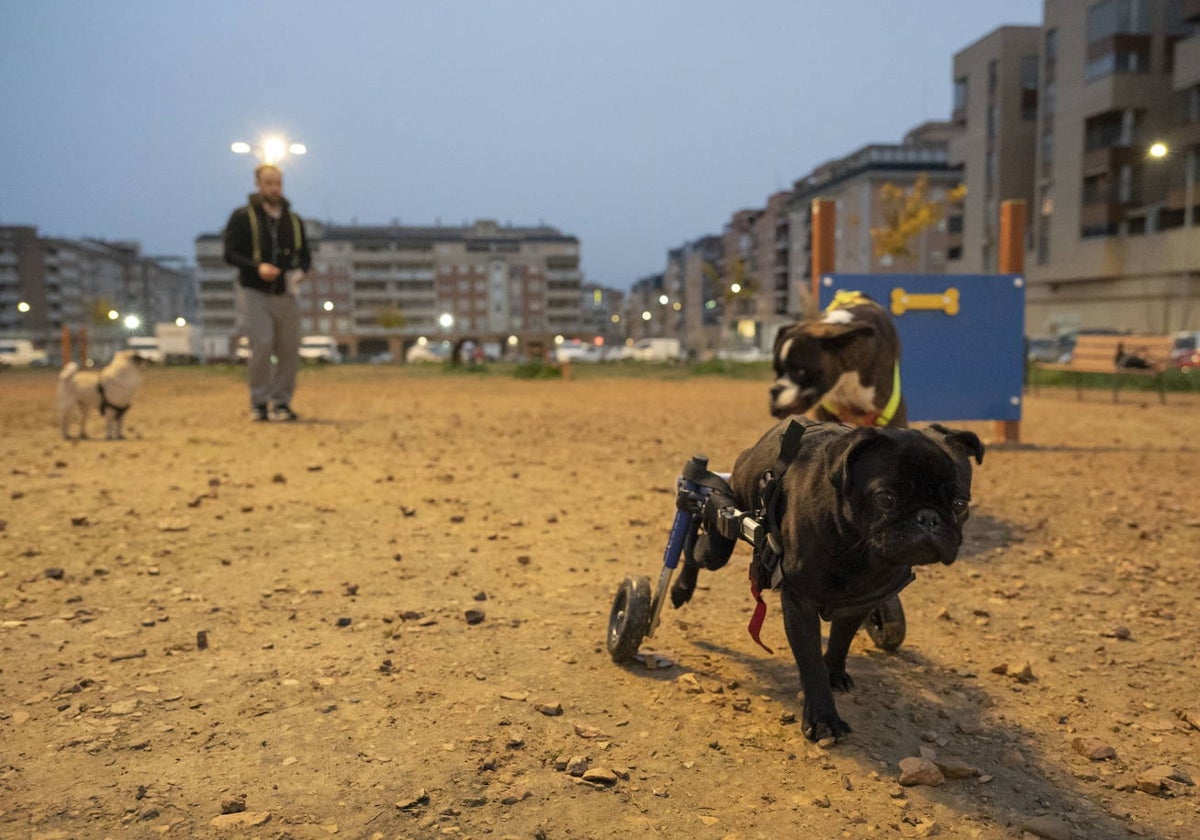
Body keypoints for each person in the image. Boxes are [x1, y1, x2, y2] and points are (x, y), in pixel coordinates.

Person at [223, 163, 311, 421]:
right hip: (254, 291)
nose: (274, 188)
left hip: (286, 292)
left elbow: (305, 255)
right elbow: (230, 254)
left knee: (288, 347)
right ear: (258, 185)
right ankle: (259, 402)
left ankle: (282, 402)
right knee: (261, 343)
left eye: (278, 183)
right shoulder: (242, 217)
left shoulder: (293, 220)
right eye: (268, 183)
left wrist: (302, 272)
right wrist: (256, 267)